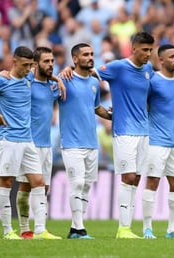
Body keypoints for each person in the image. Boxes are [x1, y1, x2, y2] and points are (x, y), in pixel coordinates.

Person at [0, 46, 61, 240]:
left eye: (30, 65)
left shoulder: (28, 77)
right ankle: (7, 231)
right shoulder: (2, 80)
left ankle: (40, 230)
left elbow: (43, 73)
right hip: (8, 139)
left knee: (39, 183)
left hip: (28, 140)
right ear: (14, 62)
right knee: (7, 183)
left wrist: (58, 78)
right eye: (25, 65)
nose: (28, 69)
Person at [95, 32, 155, 239]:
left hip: (144, 131)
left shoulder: (148, 70)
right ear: (134, 48)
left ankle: (127, 227)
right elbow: (89, 76)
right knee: (128, 176)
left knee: (137, 178)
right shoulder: (118, 67)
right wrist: (67, 71)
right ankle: (123, 228)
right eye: (145, 50)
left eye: (151, 50)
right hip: (124, 130)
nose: (148, 54)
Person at [60, 43, 112, 240]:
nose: (90, 57)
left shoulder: (93, 82)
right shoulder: (65, 79)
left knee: (87, 186)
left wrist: (113, 116)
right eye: (85, 55)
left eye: (92, 54)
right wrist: (63, 71)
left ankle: (75, 229)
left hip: (91, 143)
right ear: (74, 59)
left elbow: (97, 108)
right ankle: (80, 229)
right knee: (77, 183)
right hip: (71, 143)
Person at [141, 44, 174, 239]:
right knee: (153, 181)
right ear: (161, 60)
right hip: (155, 141)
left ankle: (173, 229)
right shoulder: (153, 81)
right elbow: (142, 105)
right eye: (172, 56)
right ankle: (147, 228)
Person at [14, 46, 63, 239]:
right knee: (33, 186)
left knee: (43, 188)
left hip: (46, 145)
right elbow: (9, 76)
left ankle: (31, 229)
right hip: (29, 144)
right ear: (35, 64)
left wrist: (59, 77)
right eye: (46, 61)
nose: (50, 65)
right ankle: (34, 229)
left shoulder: (53, 87)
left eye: (52, 61)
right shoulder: (26, 82)